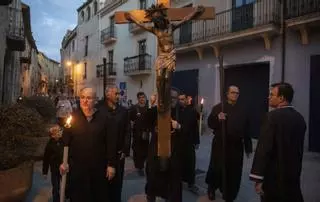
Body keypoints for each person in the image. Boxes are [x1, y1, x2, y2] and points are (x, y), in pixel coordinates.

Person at [250, 82, 306, 202]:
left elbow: (264, 149)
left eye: (272, 94)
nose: (268, 97)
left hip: (274, 176)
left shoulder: (271, 117)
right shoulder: (300, 118)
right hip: (293, 174)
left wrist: (258, 178)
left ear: (281, 98)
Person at [59, 87, 118, 202]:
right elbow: (65, 143)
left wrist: (111, 164)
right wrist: (63, 162)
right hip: (77, 169)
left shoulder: (104, 118)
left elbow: (111, 142)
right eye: (82, 97)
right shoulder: (73, 118)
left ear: (95, 100)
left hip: (98, 168)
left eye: (89, 98)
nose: (85, 101)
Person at [206, 85, 252, 202]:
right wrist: (217, 118)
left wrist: (248, 147)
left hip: (236, 146)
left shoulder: (243, 109)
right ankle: (212, 188)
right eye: (233, 92)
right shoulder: (218, 108)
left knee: (233, 171)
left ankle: (230, 194)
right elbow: (210, 123)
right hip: (220, 145)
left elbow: (247, 129)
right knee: (217, 168)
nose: (235, 95)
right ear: (227, 94)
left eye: (237, 93)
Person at [144, 87, 186, 202]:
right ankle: (152, 196)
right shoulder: (157, 110)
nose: (173, 100)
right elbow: (145, 121)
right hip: (157, 151)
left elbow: (189, 131)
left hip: (174, 152)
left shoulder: (182, 111)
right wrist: (152, 105)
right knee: (154, 178)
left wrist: (179, 126)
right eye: (170, 97)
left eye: (175, 98)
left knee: (173, 182)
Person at [105, 87, 131, 202]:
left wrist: (125, 150)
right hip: (104, 153)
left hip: (119, 153)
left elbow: (127, 131)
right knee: (104, 182)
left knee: (117, 183)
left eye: (118, 94)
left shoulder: (123, 111)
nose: (118, 96)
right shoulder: (100, 110)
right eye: (115, 94)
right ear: (108, 95)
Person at [177, 92, 200, 193]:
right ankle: (178, 181)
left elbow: (195, 128)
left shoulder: (192, 111)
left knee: (190, 163)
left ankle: (191, 183)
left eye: (183, 99)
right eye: (179, 99)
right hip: (178, 141)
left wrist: (197, 141)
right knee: (178, 163)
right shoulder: (176, 111)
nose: (181, 101)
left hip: (189, 141)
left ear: (186, 99)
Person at [130, 91, 149, 176]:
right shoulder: (134, 108)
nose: (142, 99)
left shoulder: (149, 108)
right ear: (138, 99)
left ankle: (146, 165)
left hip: (147, 133)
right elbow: (130, 119)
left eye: (143, 97)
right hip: (137, 134)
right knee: (137, 151)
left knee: (146, 150)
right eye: (140, 98)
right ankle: (140, 167)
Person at [42, 124, 64, 202]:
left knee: (66, 184)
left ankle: (66, 197)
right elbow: (46, 159)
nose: (60, 132)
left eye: (59, 130)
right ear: (53, 135)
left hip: (63, 167)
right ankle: (56, 200)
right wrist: (45, 172)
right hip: (54, 169)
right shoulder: (49, 145)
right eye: (57, 131)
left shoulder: (63, 141)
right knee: (56, 186)